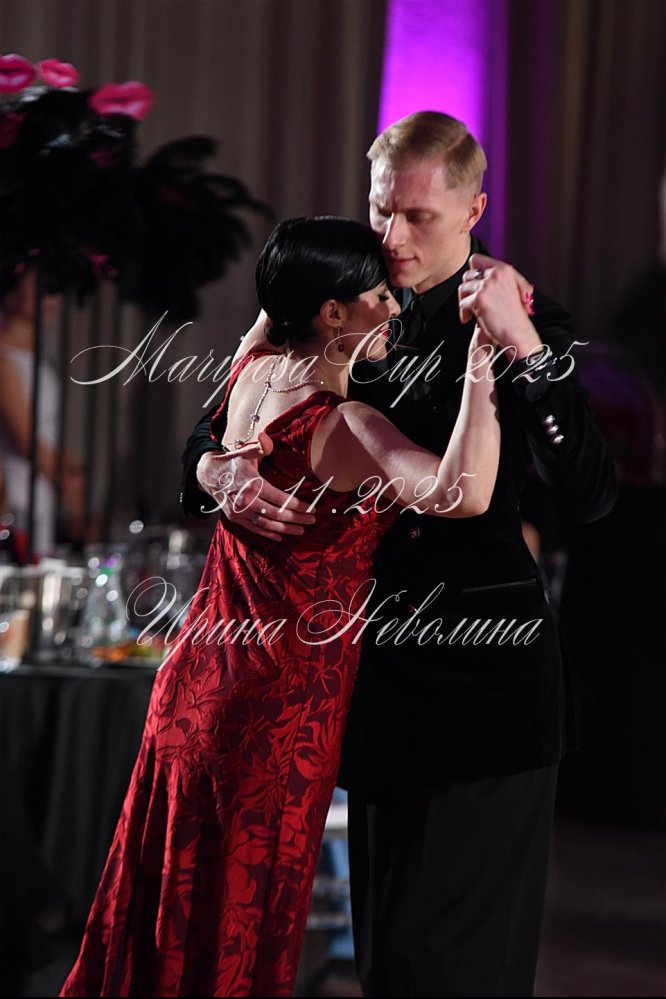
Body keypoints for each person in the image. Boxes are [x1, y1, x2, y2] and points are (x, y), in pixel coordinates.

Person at [181, 112, 618, 996]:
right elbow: (220, 422)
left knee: (451, 971)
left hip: (487, 695)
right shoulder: (344, 297)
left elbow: (592, 492)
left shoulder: (526, 318)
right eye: (383, 210)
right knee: (387, 967)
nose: (394, 235)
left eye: (419, 216)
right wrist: (213, 472)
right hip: (376, 691)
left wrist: (526, 349)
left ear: (474, 211)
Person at [59, 215, 504, 999]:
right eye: (378, 296)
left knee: (170, 920)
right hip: (275, 720)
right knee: (236, 930)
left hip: (192, 694)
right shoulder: (348, 425)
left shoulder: (249, 374)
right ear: (332, 312)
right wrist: (483, 359)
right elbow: (461, 494)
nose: (394, 309)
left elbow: (272, 307)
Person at [0, 266, 85, 559]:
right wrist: (66, 478)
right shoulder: (4, 357)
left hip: (40, 487)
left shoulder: (38, 356)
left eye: (54, 290)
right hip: (14, 491)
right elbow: (26, 439)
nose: (51, 299)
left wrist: (70, 470)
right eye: (41, 288)